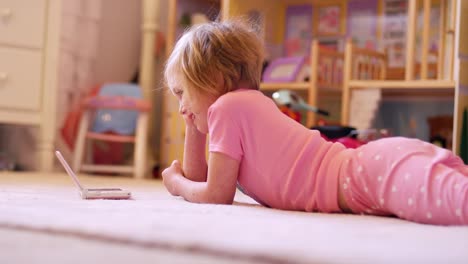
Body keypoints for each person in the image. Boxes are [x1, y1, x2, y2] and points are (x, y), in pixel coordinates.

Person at [161, 20, 467, 225]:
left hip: (368, 176)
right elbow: (202, 179)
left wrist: (176, 184)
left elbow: (215, 195)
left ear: (212, 79)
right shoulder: (238, 107)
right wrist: (192, 126)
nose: (181, 106)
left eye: (181, 93)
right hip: (371, 167)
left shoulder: (229, 107)